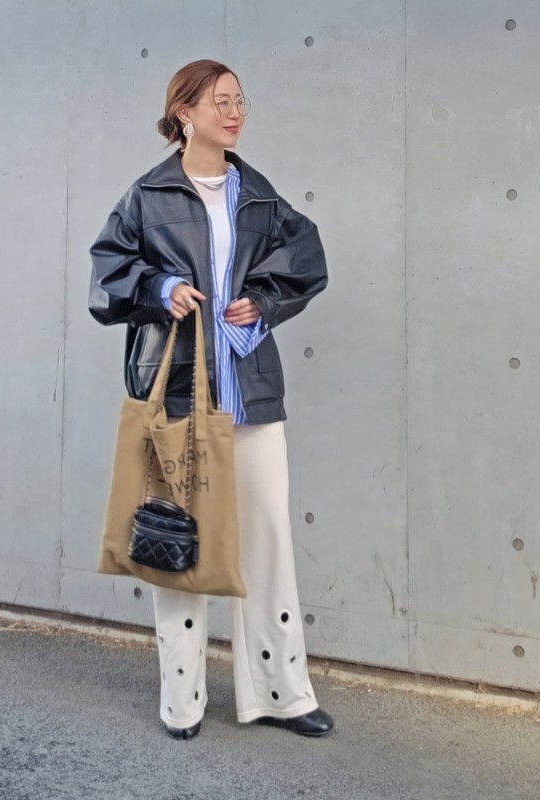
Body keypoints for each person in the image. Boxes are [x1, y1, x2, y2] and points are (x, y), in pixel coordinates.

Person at [89, 59, 332, 740]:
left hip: (249, 393)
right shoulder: (147, 195)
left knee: (268, 541)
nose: (235, 112)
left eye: (239, 100)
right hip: (177, 395)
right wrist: (160, 288)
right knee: (178, 543)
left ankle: (282, 694)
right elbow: (107, 273)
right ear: (185, 112)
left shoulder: (258, 195)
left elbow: (305, 258)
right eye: (220, 101)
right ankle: (182, 701)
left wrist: (266, 301)